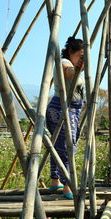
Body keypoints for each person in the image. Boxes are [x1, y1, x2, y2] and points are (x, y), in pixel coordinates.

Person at [46, 36, 85, 200]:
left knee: (59, 146)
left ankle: (56, 181)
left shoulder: (74, 65)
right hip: (62, 108)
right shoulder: (64, 62)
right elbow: (68, 73)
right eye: (80, 55)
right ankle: (68, 185)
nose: (82, 59)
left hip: (71, 109)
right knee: (67, 147)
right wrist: (76, 68)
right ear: (71, 52)